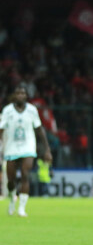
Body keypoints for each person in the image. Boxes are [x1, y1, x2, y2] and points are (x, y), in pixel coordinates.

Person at [0, 85, 52, 217]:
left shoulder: (32, 110)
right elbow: (1, 129)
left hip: (28, 146)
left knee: (25, 173)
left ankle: (22, 208)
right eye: (17, 93)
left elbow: (39, 129)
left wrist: (47, 149)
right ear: (14, 96)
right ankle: (12, 198)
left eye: (22, 93)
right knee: (11, 180)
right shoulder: (7, 111)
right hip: (11, 147)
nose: (20, 95)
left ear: (26, 96)